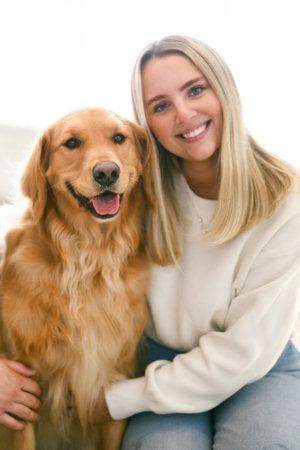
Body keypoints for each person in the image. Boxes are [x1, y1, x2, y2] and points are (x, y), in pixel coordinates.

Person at [1, 35, 300, 449]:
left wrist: (118, 399)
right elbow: (27, 234)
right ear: (148, 126)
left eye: (196, 89)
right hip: (158, 363)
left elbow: (244, 352)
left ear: (225, 90)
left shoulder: (288, 202)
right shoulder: (140, 188)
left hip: (256, 368)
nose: (184, 113)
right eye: (161, 105)